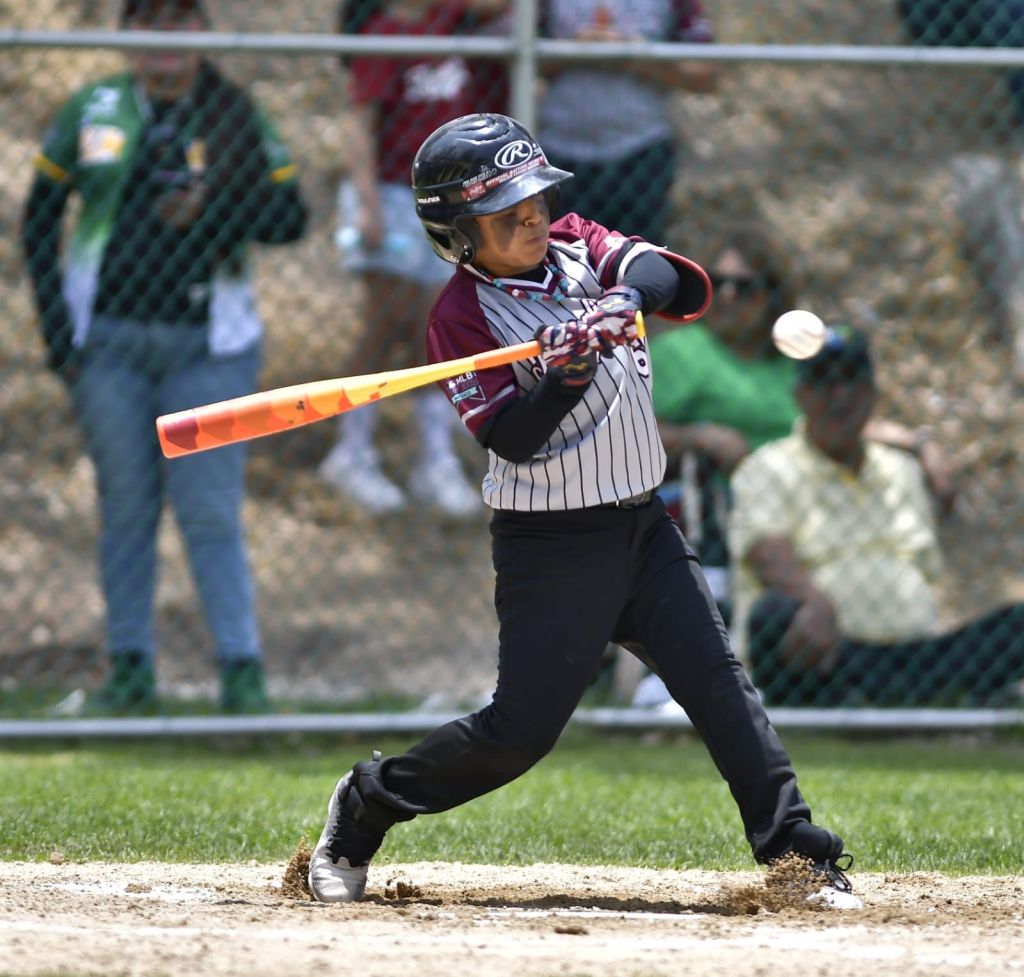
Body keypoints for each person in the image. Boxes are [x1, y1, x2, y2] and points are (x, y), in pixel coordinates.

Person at [306, 112, 862, 909]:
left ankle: (796, 853)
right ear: (459, 235)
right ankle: (367, 802)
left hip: (643, 525)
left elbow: (676, 280)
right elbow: (511, 437)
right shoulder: (460, 319)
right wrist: (561, 375)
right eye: (508, 214)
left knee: (719, 687)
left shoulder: (574, 244)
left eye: (535, 200)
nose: (533, 218)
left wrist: (622, 297)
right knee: (519, 735)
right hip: (551, 545)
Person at [20, 0, 308, 713]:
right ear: (128, 36)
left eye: (180, 22)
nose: (165, 41)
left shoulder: (234, 110)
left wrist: (210, 207)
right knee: (125, 508)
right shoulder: (96, 107)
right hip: (108, 347)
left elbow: (290, 216)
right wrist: (60, 334)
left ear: (202, 35)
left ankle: (241, 676)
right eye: (150, 22)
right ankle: (129, 669)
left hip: (209, 348)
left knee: (209, 511)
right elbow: (37, 216)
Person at [631, 222, 957, 708]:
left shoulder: (790, 365)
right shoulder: (684, 352)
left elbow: (835, 419)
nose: (730, 297)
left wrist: (919, 442)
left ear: (773, 297)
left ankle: (889, 675)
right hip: (715, 502)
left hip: (792, 497)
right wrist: (698, 436)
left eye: (747, 287)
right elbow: (625, 429)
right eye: (719, 283)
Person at [729, 325, 1024, 707]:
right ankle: (848, 706)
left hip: (915, 656)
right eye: (823, 381)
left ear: (872, 392)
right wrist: (813, 600)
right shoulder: (768, 466)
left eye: (852, 379)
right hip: (829, 656)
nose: (840, 396)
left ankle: (931, 701)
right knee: (773, 615)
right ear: (800, 393)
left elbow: (929, 575)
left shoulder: (901, 470)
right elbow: (766, 552)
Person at [317, 0, 509, 517]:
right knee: (387, 319)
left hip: (446, 201)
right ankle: (351, 452)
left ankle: (435, 458)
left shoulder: (448, 18)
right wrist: (367, 202)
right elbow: (361, 125)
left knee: (436, 326)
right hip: (389, 194)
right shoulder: (381, 34)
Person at [536, 0, 717, 244]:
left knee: (637, 263)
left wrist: (630, 54)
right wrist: (577, 48)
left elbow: (704, 72)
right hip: (560, 150)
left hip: (640, 149)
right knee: (562, 259)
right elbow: (519, 56)